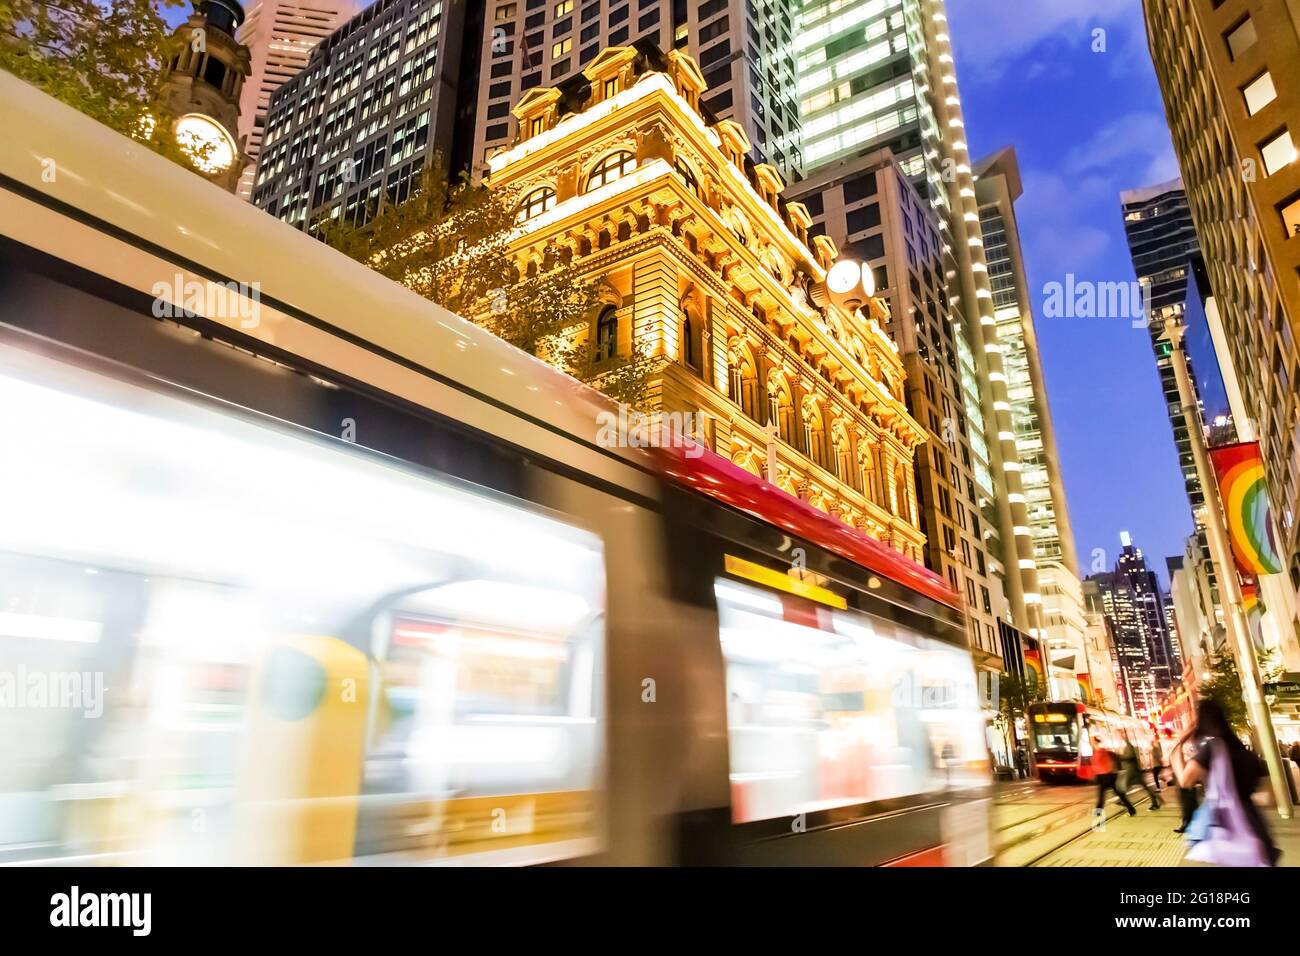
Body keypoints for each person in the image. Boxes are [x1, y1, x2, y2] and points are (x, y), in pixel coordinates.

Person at [1171, 699, 1280, 866]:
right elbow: (1269, 799)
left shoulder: (1212, 749)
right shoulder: (1247, 754)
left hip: (1230, 829)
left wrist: (1178, 744)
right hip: (1255, 825)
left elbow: (1185, 781)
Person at [1093, 736, 1136, 816]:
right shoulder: (1104, 752)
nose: (1094, 745)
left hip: (1105, 776)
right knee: (1119, 794)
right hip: (1108, 776)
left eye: (1095, 743)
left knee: (1102, 795)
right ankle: (1131, 809)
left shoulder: (1101, 752)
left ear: (1097, 743)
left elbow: (1098, 765)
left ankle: (1098, 813)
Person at [1118, 736, 1161, 810]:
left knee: (1125, 785)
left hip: (1133, 771)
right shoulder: (1128, 746)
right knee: (1142, 787)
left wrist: (1121, 758)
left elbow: (1130, 757)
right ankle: (1155, 800)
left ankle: (1122, 800)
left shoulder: (1129, 746)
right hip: (1134, 771)